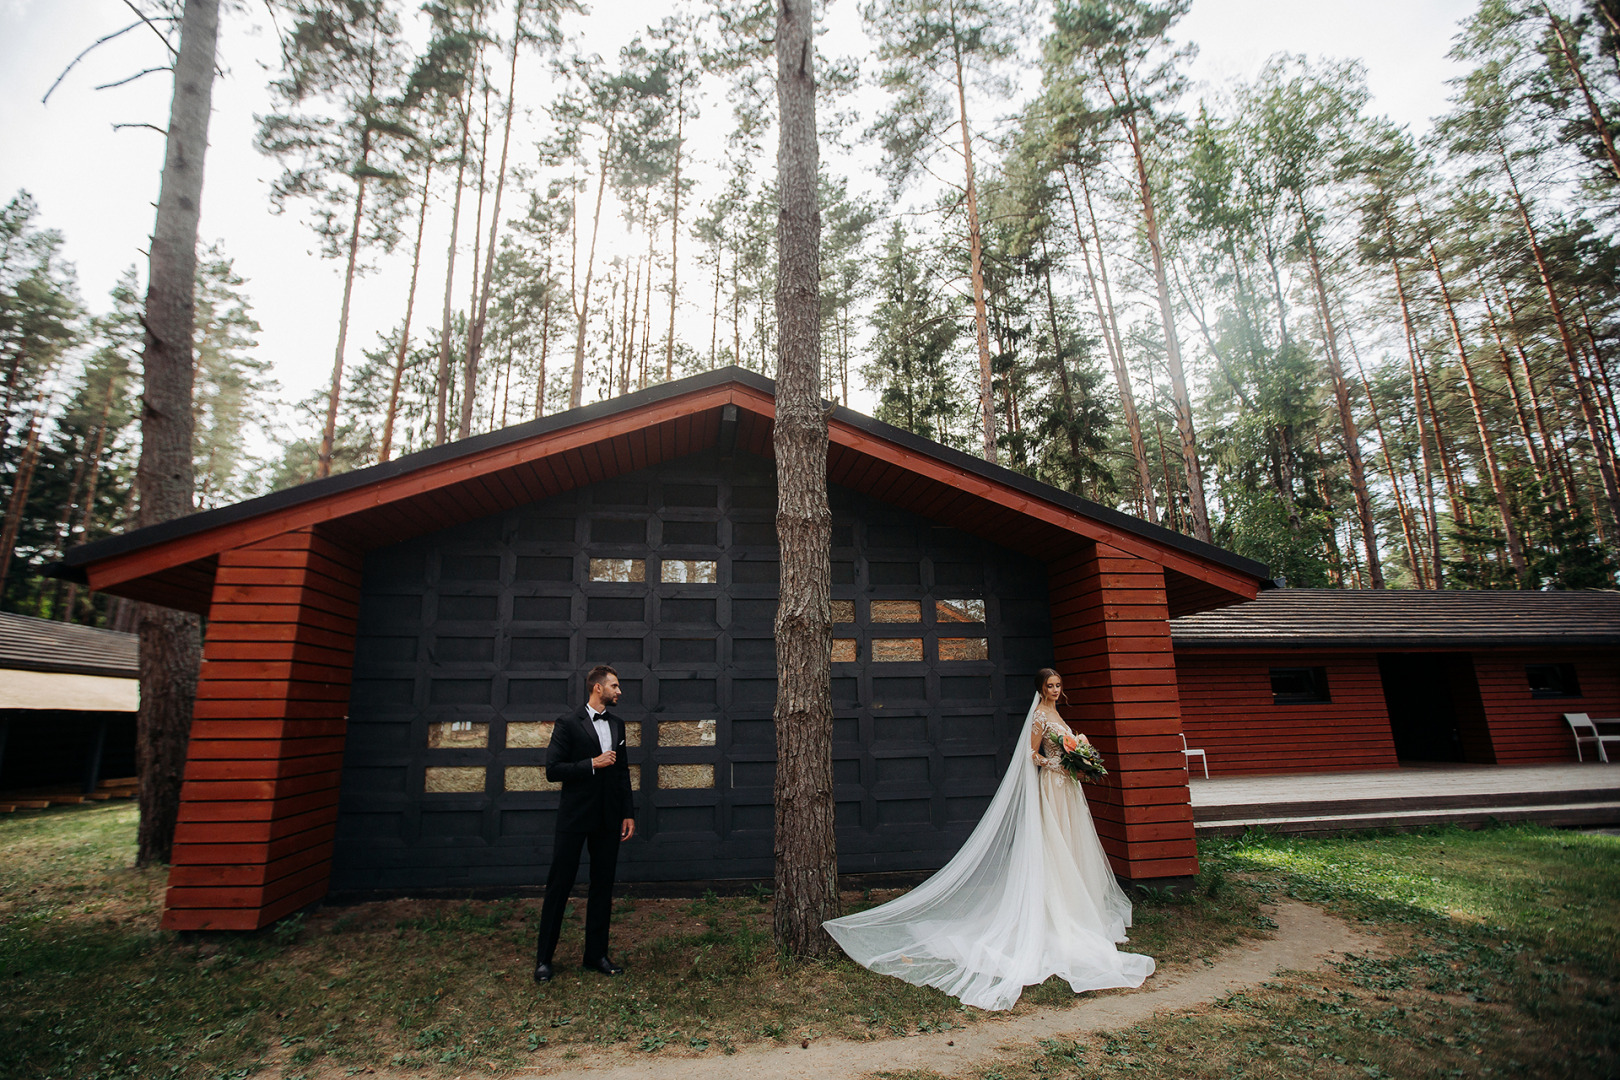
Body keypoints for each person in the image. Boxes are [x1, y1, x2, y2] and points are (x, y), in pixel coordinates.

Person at [823, 667, 1154, 1010]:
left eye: (1058, 685)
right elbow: (1032, 755)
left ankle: (1076, 907)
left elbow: (1066, 747)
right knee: (1055, 843)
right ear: (1040, 689)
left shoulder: (1057, 713)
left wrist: (1078, 760)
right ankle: (1054, 911)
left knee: (1071, 843)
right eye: (1050, 686)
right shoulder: (1040, 716)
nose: (1055, 690)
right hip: (1053, 785)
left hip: (1068, 788)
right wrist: (1058, 763)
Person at [533, 664, 636, 983]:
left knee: (603, 887)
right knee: (559, 885)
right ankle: (544, 961)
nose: (619, 692)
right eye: (615, 686)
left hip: (608, 818)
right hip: (575, 817)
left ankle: (596, 955)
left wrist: (628, 813)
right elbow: (553, 769)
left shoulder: (618, 724)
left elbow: (623, 773)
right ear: (597, 688)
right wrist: (591, 763)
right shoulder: (567, 723)